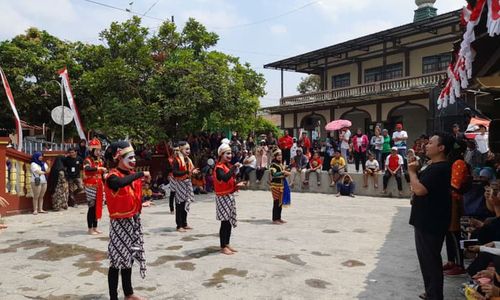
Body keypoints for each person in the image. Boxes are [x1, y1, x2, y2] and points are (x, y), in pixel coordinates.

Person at [408, 132, 454, 300]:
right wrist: (416, 172)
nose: (426, 145)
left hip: (431, 221)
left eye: (431, 143)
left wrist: (412, 172)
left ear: (441, 148)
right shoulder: (433, 166)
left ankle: (435, 295)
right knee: (426, 259)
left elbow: (420, 189)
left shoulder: (441, 168)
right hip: (424, 219)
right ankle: (431, 292)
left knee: (431, 260)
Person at [104, 141, 150, 300]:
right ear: (119, 158)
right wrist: (140, 173)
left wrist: (141, 203)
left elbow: (130, 196)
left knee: (128, 258)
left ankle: (128, 293)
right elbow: (119, 184)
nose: (134, 160)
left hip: (132, 221)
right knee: (117, 261)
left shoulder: (130, 175)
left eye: (134, 157)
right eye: (130, 157)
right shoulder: (112, 176)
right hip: (119, 224)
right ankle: (113, 297)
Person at [214, 141, 244, 255]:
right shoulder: (218, 168)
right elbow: (225, 178)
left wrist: (237, 185)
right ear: (221, 155)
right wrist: (234, 168)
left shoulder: (227, 166)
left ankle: (227, 243)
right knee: (224, 222)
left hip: (229, 196)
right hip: (222, 198)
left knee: (229, 222)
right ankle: (223, 246)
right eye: (227, 154)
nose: (230, 156)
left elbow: (229, 181)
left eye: (230, 153)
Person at [443, 140, 468, 276]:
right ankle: (451, 261)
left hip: (454, 200)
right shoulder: (452, 163)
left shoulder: (458, 163)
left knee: (454, 233)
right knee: (448, 233)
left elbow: (455, 185)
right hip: (448, 199)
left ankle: (459, 264)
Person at [171, 141, 199, 232]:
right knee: (179, 204)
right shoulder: (177, 159)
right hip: (180, 183)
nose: (188, 150)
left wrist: (193, 172)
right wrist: (188, 172)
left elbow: (191, 170)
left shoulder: (188, 159)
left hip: (187, 182)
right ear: (181, 149)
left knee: (186, 203)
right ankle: (179, 225)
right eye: (186, 149)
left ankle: (184, 223)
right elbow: (175, 173)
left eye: (189, 149)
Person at [83, 138, 107, 235]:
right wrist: (99, 168)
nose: (98, 152)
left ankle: (95, 227)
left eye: (99, 150)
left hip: (99, 185)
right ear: (92, 150)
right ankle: (90, 228)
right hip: (90, 186)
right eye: (96, 150)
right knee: (91, 207)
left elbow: (102, 172)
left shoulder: (100, 160)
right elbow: (88, 169)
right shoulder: (87, 160)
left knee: (98, 206)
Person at [269, 148, 291, 224]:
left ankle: (279, 218)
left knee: (280, 203)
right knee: (276, 202)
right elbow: (273, 174)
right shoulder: (273, 164)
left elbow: (282, 175)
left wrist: (285, 173)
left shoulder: (280, 164)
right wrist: (283, 172)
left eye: (280, 155)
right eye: (278, 155)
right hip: (275, 186)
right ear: (275, 156)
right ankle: (274, 219)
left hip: (281, 185)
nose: (280, 156)